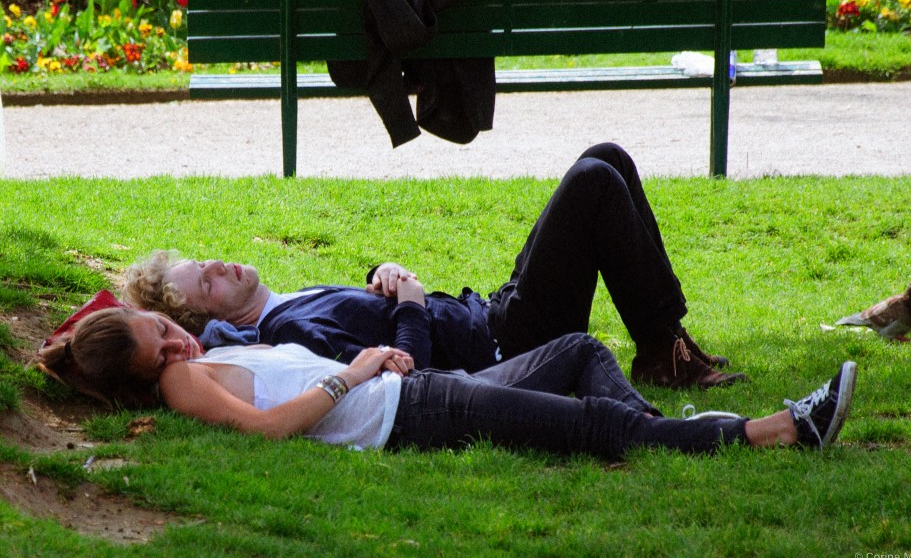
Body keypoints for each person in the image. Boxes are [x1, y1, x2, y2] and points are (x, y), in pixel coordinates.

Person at [122, 143, 745, 389]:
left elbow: (364, 312)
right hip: (506, 346)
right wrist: (413, 305)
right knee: (594, 181)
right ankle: (663, 351)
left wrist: (385, 271)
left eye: (206, 262)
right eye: (208, 282)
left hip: (492, 310)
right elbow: (400, 374)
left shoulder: (287, 303)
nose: (221, 265)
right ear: (212, 320)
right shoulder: (287, 332)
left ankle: (665, 342)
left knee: (607, 158)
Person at [36, 300, 858, 457]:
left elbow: (96, 323)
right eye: (161, 344)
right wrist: (353, 373)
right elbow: (265, 428)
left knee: (578, 349)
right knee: (588, 422)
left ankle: (659, 434)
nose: (176, 336)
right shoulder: (181, 385)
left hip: (419, 385)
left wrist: (68, 347)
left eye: (159, 323)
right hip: (413, 413)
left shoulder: (187, 355)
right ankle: (783, 429)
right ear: (152, 372)